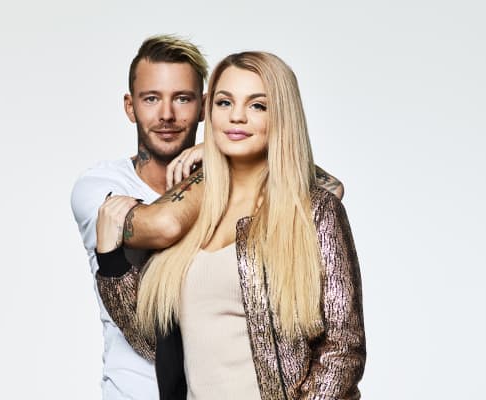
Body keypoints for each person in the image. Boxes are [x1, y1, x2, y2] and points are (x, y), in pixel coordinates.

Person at [95, 52, 365, 399]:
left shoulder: (312, 211)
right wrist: (111, 261)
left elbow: (342, 349)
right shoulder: (191, 217)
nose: (237, 116)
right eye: (224, 102)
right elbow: (153, 343)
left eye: (258, 106)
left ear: (282, 117)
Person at [70, 35, 208, 400]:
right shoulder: (99, 185)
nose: (167, 115)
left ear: (205, 107)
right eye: (151, 99)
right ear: (130, 107)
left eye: (182, 98)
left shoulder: (225, 176)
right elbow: (164, 226)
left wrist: (224, 151)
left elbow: (329, 190)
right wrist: (227, 166)